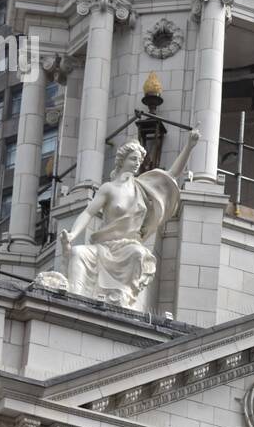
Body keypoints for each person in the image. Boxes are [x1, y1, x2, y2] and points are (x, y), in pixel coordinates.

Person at [59, 130, 199, 309]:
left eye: (139, 161)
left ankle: (122, 300)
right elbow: (88, 213)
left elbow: (172, 175)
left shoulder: (142, 187)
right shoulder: (108, 188)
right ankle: (73, 305)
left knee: (138, 254)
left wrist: (189, 146)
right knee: (78, 253)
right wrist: (72, 235)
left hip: (127, 247)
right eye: (133, 159)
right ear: (122, 160)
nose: (136, 164)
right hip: (104, 247)